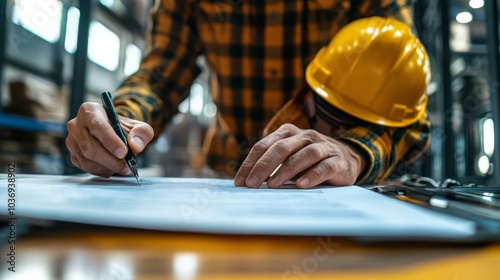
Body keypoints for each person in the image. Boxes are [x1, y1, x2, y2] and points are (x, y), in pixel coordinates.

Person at [66, 0, 430, 188]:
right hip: (229, 179)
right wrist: (122, 123)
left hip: (333, 186)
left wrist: (354, 154)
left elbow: (404, 93)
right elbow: (159, 78)